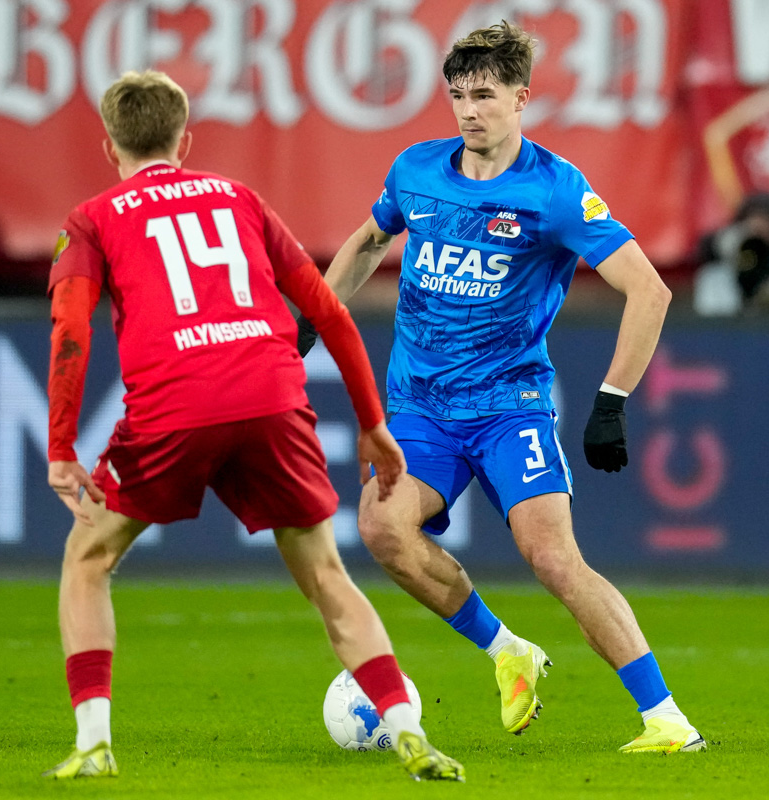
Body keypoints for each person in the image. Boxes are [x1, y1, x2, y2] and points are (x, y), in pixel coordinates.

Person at [43, 70, 463, 782]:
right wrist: (372, 422)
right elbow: (328, 311)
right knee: (326, 575)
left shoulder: (93, 218)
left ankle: (94, 743)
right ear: (185, 140)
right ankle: (407, 730)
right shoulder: (239, 199)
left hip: (174, 402)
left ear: (110, 147)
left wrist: (61, 447)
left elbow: (71, 331)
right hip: (271, 395)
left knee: (88, 559)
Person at [297, 21, 704, 754]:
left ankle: (667, 720)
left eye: (484, 95)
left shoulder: (554, 190)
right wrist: (317, 314)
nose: (468, 110)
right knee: (383, 528)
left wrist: (612, 401)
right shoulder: (416, 171)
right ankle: (507, 650)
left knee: (553, 559)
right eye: (458, 95)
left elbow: (650, 290)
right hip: (421, 407)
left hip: (508, 408)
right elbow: (369, 238)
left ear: (520, 98)